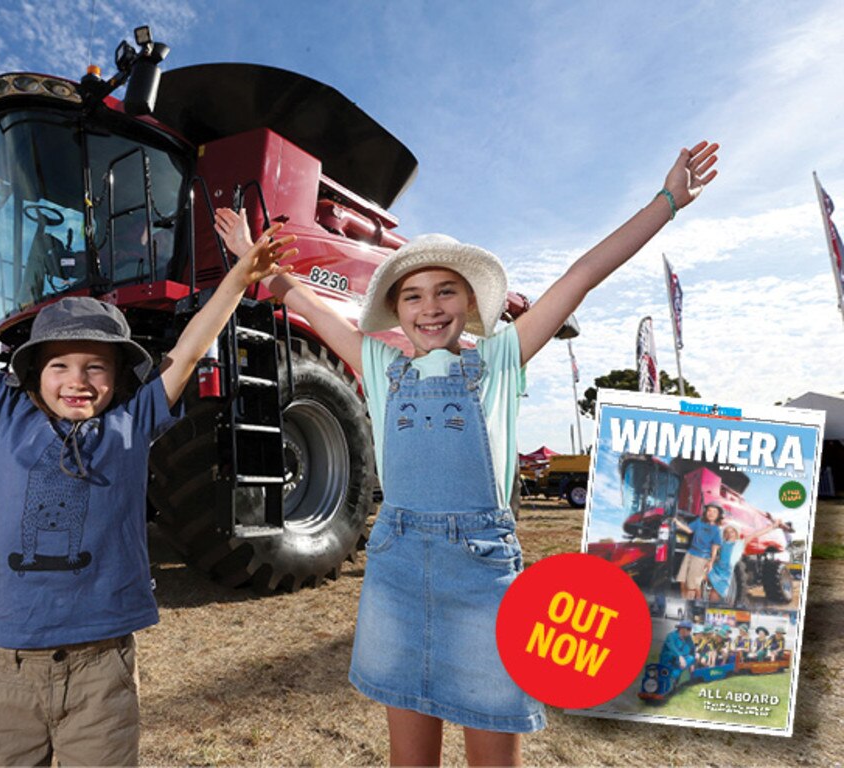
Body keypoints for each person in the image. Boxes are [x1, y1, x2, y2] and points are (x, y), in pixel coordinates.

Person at [217, 141, 718, 765]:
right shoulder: (378, 362)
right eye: (413, 296)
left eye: (446, 292)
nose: (430, 307)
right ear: (395, 310)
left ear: (471, 305)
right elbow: (301, 299)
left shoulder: (501, 358)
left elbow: (582, 276)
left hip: (484, 574)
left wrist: (666, 202)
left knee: (491, 748)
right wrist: (251, 261)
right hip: (396, 571)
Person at [0, 193, 296, 766]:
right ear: (34, 376)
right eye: (60, 366)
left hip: (102, 672)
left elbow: (191, 348)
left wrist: (240, 276)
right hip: (6, 672)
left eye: (96, 366)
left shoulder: (131, 425)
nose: (78, 379)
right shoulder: (5, 414)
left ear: (117, 379)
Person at [707, 517, 785, 602]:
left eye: (732, 531)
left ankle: (713, 608)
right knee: (707, 588)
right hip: (717, 570)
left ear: (736, 532)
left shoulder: (740, 543)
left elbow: (756, 534)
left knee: (716, 594)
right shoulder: (722, 543)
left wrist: (773, 526)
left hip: (726, 573)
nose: (729, 534)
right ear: (724, 534)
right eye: (727, 532)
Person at [674, 502, 725, 600]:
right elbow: (689, 530)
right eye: (709, 510)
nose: (711, 513)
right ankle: (688, 604)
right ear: (706, 512)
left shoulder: (717, 530)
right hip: (690, 553)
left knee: (692, 586)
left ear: (718, 515)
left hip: (701, 558)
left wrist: (711, 563)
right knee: (682, 581)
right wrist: (677, 522)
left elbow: (714, 548)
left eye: (714, 512)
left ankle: (691, 607)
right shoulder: (699, 522)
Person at [659, 620, 697, 686]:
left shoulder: (688, 638)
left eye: (690, 629)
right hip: (668, 659)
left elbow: (692, 650)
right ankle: (672, 677)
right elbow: (672, 648)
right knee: (670, 656)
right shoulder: (671, 636)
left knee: (691, 658)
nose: (690, 631)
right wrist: (680, 656)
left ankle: (674, 676)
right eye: (689, 629)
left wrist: (692, 664)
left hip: (680, 662)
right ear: (682, 629)